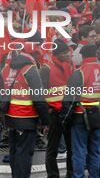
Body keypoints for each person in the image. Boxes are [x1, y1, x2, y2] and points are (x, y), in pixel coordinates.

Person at [0, 52, 49, 178]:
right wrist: (46, 121)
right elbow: (38, 98)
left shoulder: (7, 70)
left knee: (14, 152)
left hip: (10, 118)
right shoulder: (30, 70)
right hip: (26, 118)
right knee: (24, 154)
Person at [61, 44, 100, 178]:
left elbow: (69, 99)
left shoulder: (79, 72)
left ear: (83, 56)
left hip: (80, 117)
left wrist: (64, 119)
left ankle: (78, 176)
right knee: (95, 151)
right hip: (98, 117)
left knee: (79, 151)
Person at [40, 39, 74, 178]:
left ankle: (71, 174)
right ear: (58, 54)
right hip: (53, 114)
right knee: (52, 148)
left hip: (68, 112)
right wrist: (46, 114)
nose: (69, 54)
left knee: (71, 148)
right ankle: (53, 175)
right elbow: (40, 93)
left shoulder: (69, 65)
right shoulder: (46, 69)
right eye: (66, 52)